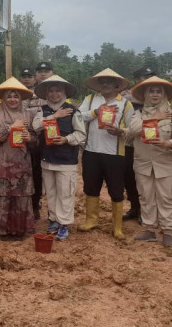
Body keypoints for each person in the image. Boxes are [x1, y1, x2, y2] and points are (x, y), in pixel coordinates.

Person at [126, 76, 172, 248]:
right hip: (143, 163)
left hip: (167, 163)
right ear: (144, 95)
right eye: (151, 91)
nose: (154, 95)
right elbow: (134, 130)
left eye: (158, 91)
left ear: (164, 95)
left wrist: (167, 143)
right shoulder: (138, 114)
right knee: (146, 197)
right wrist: (156, 118)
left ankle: (167, 231)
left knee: (166, 198)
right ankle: (150, 229)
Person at [78, 68, 135, 239]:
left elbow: (132, 127)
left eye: (109, 82)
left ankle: (117, 227)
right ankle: (91, 220)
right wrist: (96, 112)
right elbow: (78, 117)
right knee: (91, 187)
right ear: (98, 85)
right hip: (91, 150)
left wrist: (120, 131)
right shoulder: (90, 100)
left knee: (116, 189)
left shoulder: (125, 103)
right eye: (102, 82)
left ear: (117, 85)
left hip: (115, 153)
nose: (105, 85)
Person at [32, 75, 85, 241]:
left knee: (66, 193)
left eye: (58, 91)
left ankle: (64, 223)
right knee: (51, 193)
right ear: (47, 93)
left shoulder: (73, 111)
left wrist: (66, 139)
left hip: (66, 160)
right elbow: (36, 126)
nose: (54, 94)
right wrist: (54, 116)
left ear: (64, 93)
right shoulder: (42, 110)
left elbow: (81, 134)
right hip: (47, 159)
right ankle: (53, 219)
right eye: (51, 91)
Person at [0, 77, 37, 239]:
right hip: (4, 161)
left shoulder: (28, 114)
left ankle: (20, 229)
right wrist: (12, 126)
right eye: (9, 96)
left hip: (23, 162)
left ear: (20, 99)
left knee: (22, 195)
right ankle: (2, 230)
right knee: (4, 195)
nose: (12, 99)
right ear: (3, 98)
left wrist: (29, 137)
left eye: (15, 96)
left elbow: (35, 139)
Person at [120, 67, 157, 222]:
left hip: (148, 144)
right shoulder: (126, 98)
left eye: (151, 76)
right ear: (136, 80)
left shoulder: (158, 96)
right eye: (144, 77)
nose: (148, 79)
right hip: (129, 143)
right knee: (129, 177)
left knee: (146, 179)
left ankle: (147, 211)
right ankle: (135, 207)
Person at [22, 67, 46, 220]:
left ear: (35, 78)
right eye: (23, 76)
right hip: (20, 138)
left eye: (29, 76)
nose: (27, 79)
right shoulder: (16, 93)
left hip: (38, 138)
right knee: (21, 173)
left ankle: (35, 204)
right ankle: (21, 204)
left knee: (37, 174)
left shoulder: (43, 93)